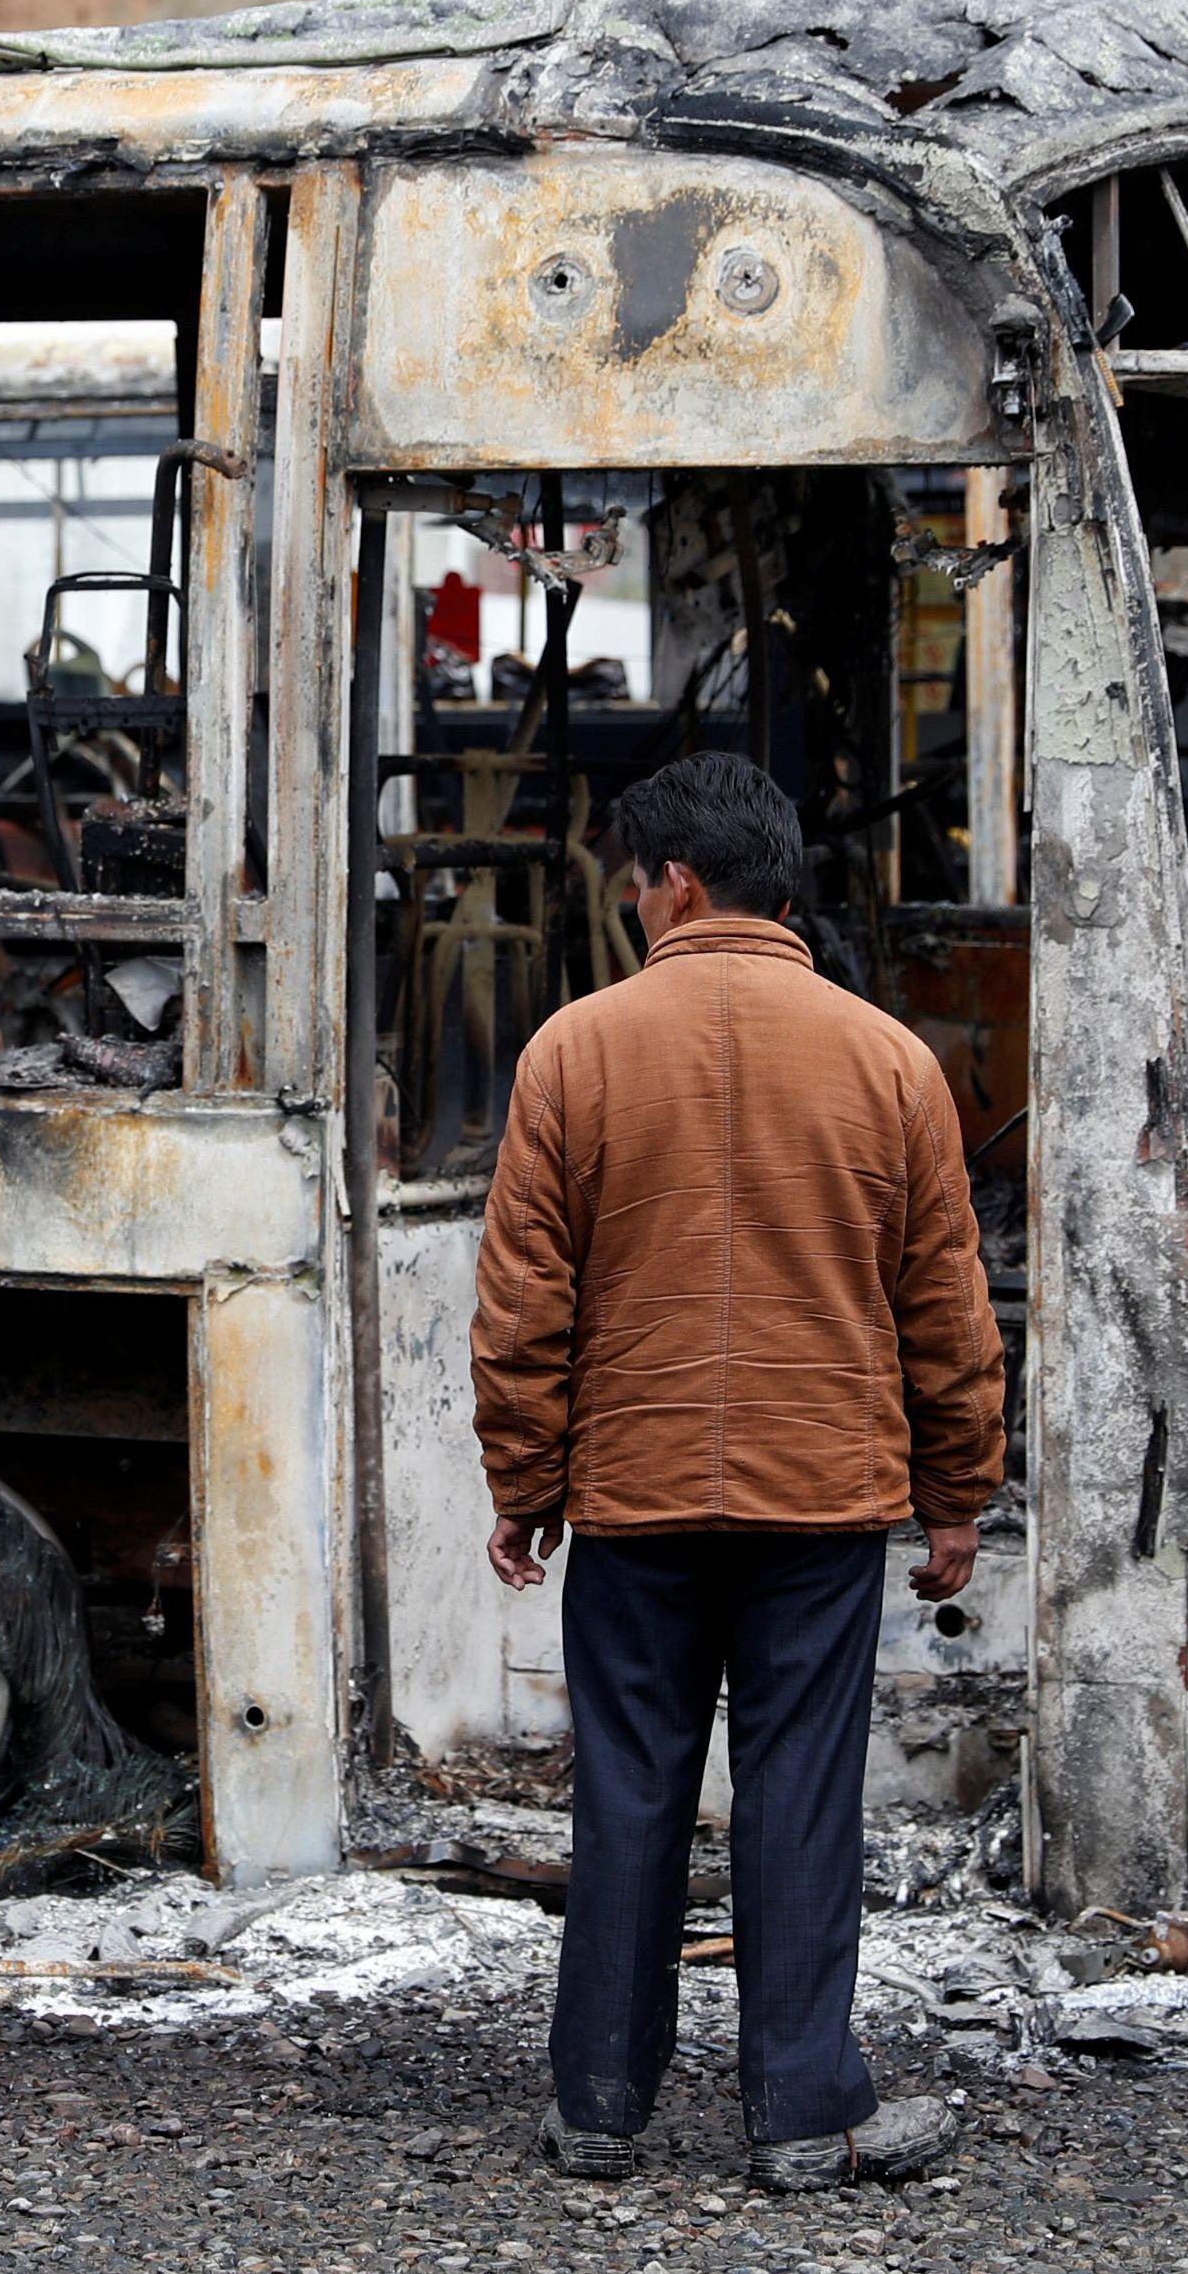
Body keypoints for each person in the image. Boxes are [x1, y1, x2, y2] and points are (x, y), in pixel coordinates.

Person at [469, 750, 1002, 2193]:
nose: (634, 903)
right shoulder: (888, 1060)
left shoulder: (572, 1053)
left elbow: (524, 1304)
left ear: (681, 881)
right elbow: (945, 1305)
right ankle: (806, 2112)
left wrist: (526, 1481)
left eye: (637, 880)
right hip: (820, 1499)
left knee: (629, 1789)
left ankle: (598, 2102)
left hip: (634, 1500)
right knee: (799, 1794)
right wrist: (957, 1491)